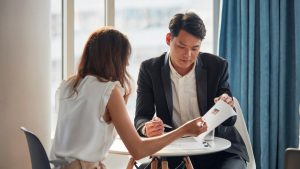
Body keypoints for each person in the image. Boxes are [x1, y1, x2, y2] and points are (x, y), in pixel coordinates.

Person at [50, 26, 207, 169]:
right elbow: (138, 150)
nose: (126, 64)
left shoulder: (68, 85)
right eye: (125, 57)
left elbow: (85, 126)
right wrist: (185, 129)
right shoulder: (108, 90)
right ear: (115, 59)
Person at [134, 12, 249, 169]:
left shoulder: (217, 66)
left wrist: (227, 106)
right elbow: (141, 117)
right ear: (169, 39)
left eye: (195, 48)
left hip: (221, 151)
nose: (188, 55)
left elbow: (230, 120)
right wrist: (147, 128)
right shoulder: (150, 69)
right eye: (181, 46)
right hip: (176, 152)